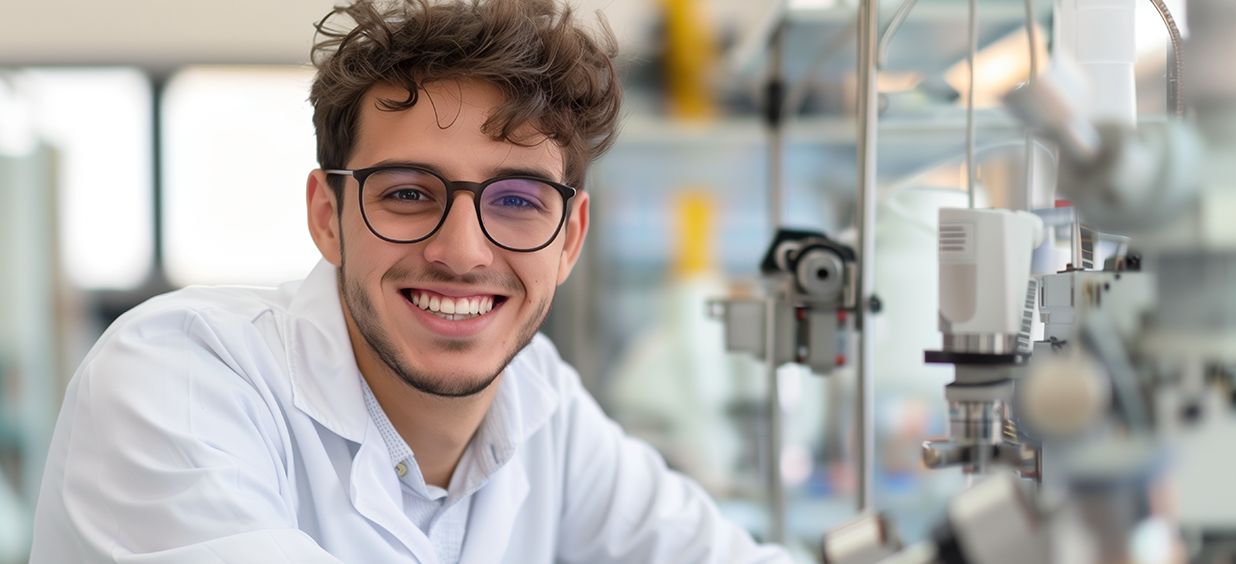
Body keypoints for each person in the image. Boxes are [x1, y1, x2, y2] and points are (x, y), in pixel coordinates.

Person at [28, 0, 794, 562]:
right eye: (407, 193)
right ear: (328, 215)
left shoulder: (541, 406)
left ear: (570, 240)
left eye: (519, 200)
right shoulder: (175, 374)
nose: (462, 252)